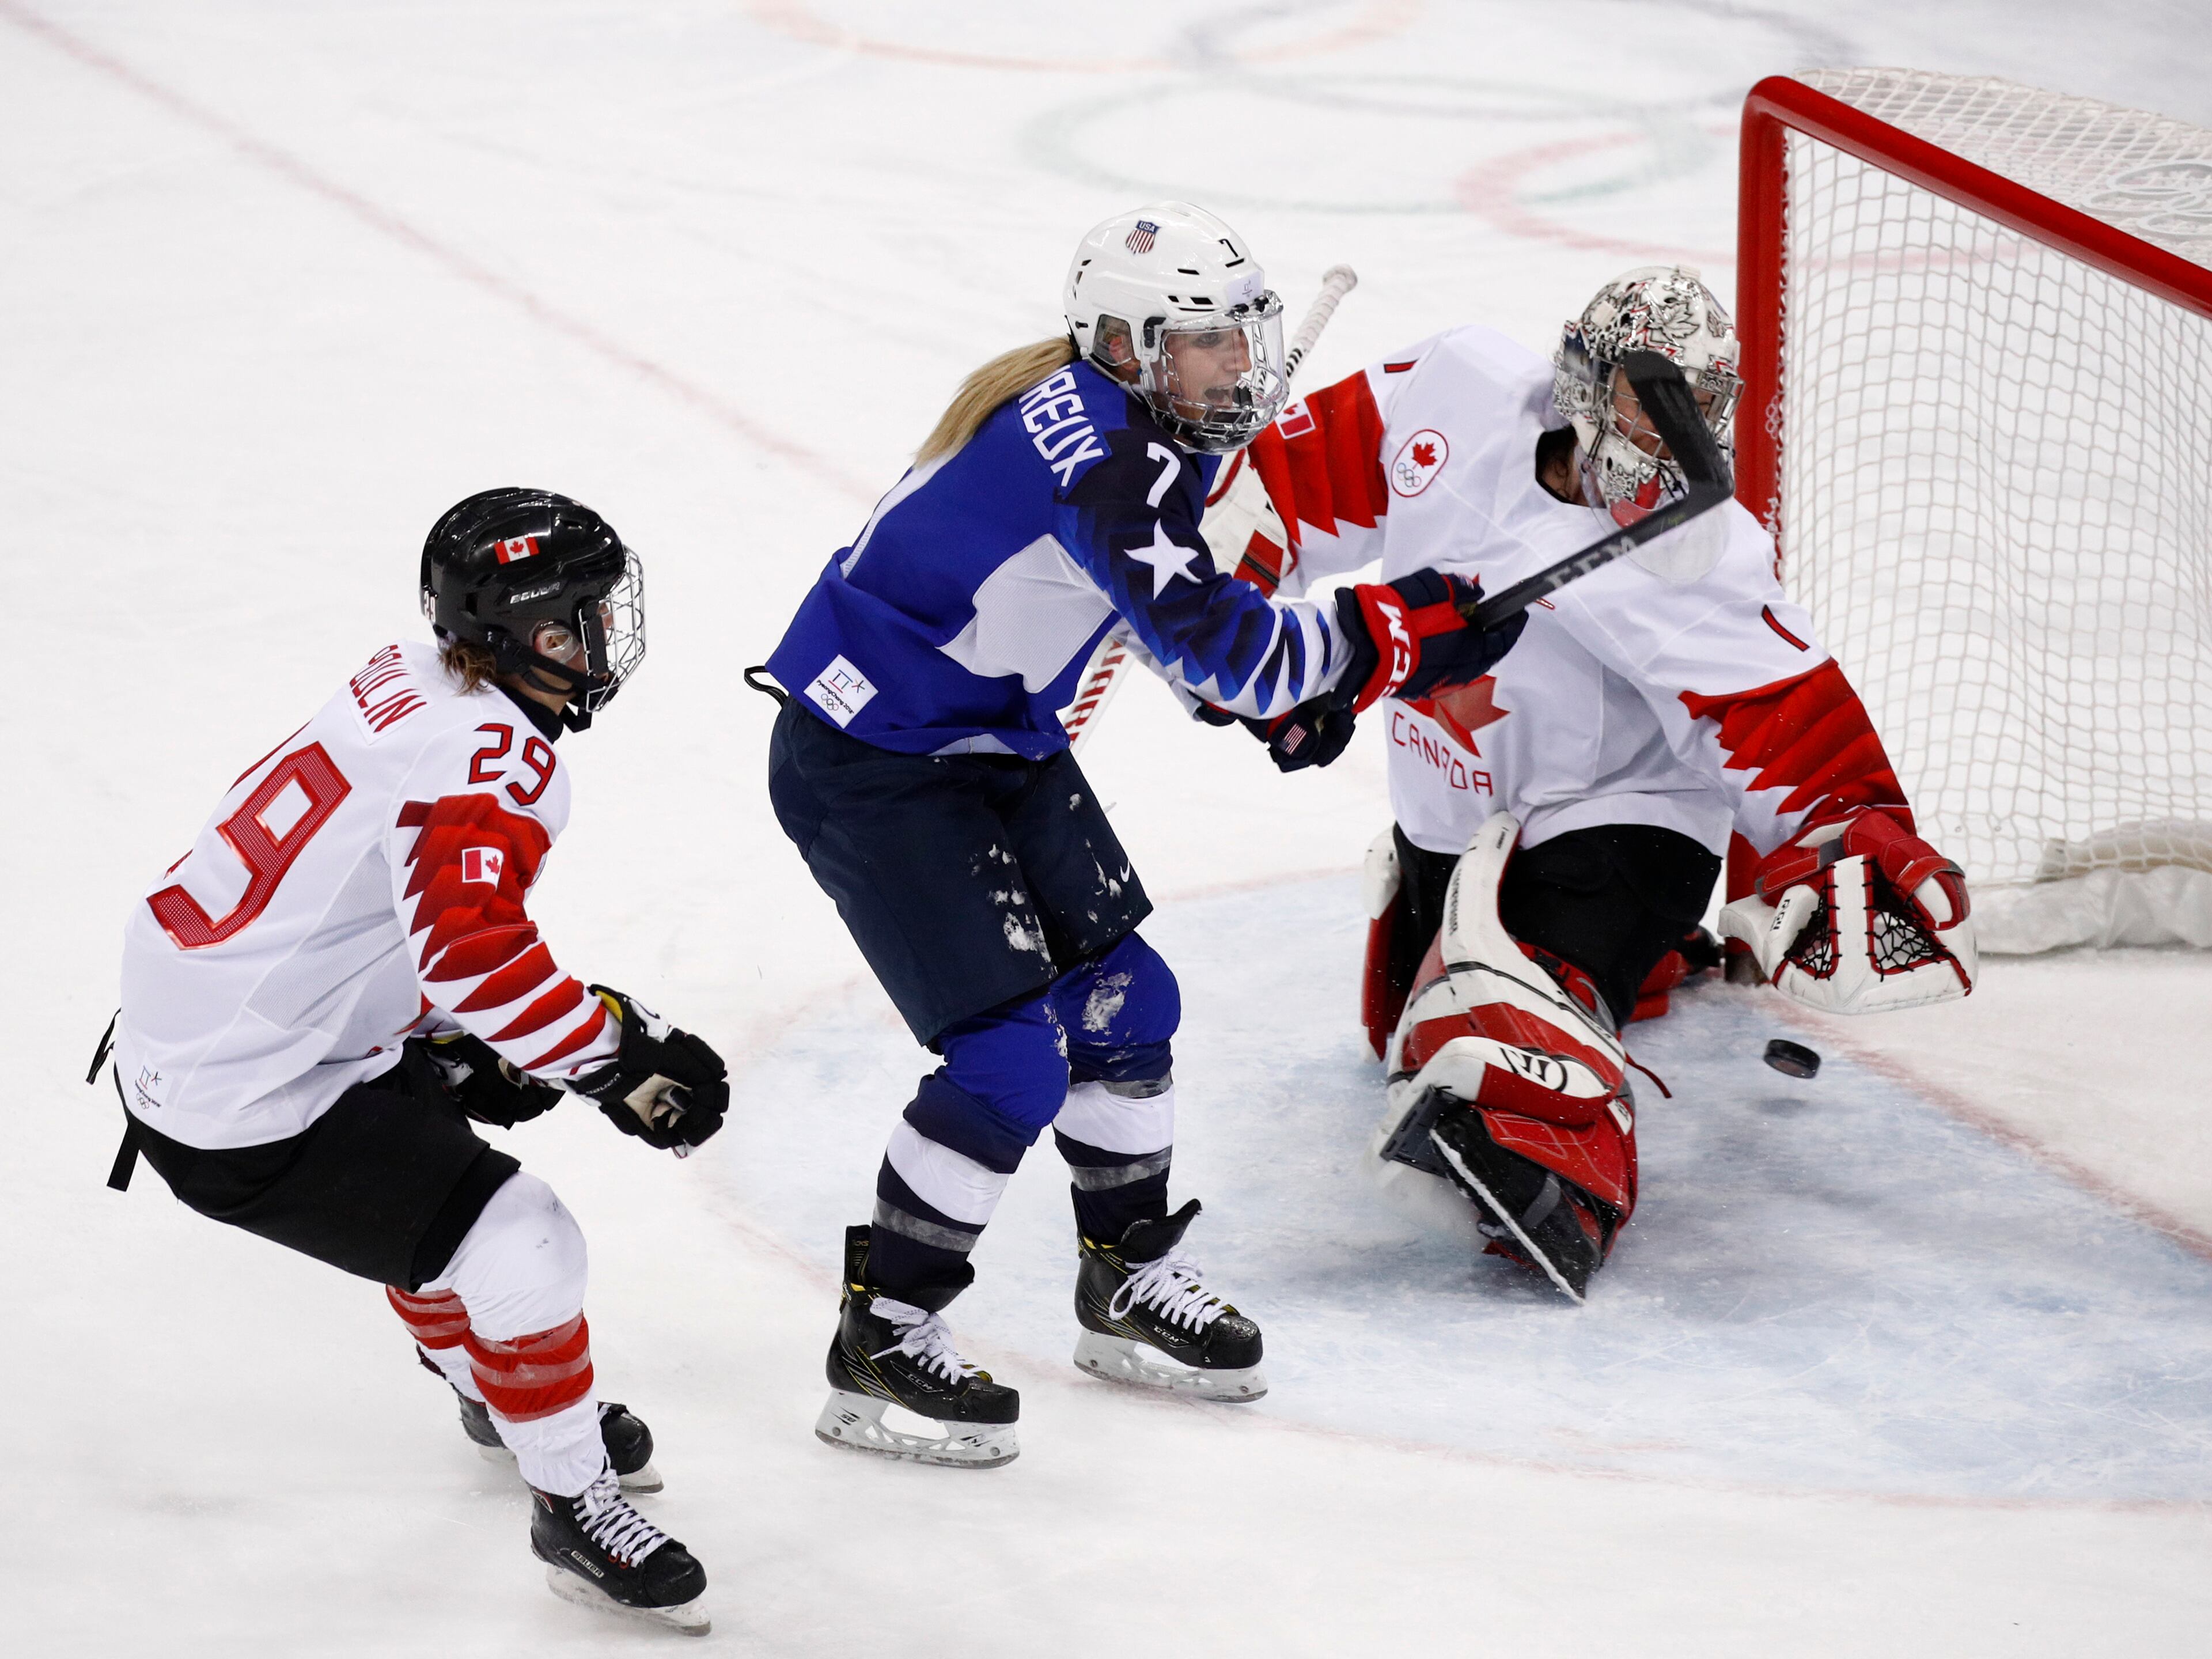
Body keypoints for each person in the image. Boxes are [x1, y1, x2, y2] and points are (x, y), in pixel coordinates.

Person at [762, 201, 1525, 1466]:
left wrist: (1254, 698)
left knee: (1129, 1002)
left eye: (1241, 335)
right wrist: (1400, 631)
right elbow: (1229, 641)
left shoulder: (1122, 428)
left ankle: (1122, 1276)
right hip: (874, 764)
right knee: (1010, 1064)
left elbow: (1156, 617)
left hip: (990, 735)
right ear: (1123, 345)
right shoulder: (1103, 463)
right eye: (1206, 341)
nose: (1238, 364)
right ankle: (884, 1335)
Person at [1206, 266, 1978, 1300]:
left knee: (1500, 1036)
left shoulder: (1698, 555)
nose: (1670, 442)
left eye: (1698, 412)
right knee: (1400, 1013)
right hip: (1453, 805)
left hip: (1624, 818)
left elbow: (1782, 720)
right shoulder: (1457, 384)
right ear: (1581, 380)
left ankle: (1573, 1145)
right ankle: (1607, 970)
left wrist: (1854, 837)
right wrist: (1222, 606)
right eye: (1646, 404)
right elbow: (1299, 482)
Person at [103, 490, 729, 1633]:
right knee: (524, 1246)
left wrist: (451, 1034)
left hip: (227, 1022)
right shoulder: (492, 751)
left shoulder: (413, 669)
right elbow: (474, 954)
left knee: (437, 1196)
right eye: (581, 617)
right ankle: (574, 1511)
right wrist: (615, 1060)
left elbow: (371, 905)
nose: (601, 637)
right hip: (252, 1093)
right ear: (525, 630)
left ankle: (494, 1389)